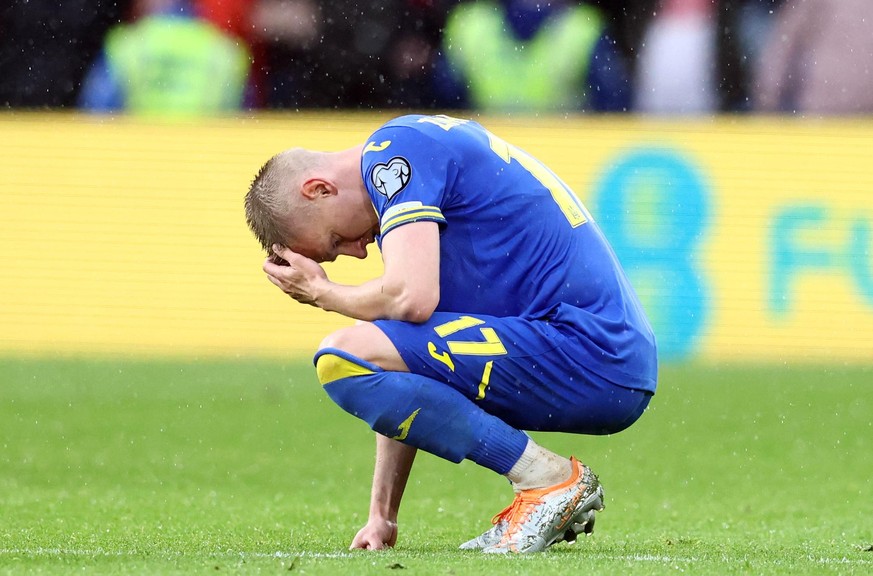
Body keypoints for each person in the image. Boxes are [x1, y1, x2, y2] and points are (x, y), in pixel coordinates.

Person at [244, 114, 657, 553]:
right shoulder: (410, 175)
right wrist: (382, 514)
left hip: (589, 347)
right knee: (364, 351)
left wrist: (325, 293)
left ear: (320, 189)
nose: (356, 250)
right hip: (602, 356)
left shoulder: (393, 152)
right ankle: (542, 481)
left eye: (334, 242)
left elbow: (412, 300)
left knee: (339, 357)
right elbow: (403, 344)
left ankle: (549, 480)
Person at [434, 0, 631, 113]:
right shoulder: (583, 27)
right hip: (560, 157)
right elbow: (616, 105)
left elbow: (439, 105)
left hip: (486, 155)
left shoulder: (470, 23)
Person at [78, 0, 250, 116]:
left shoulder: (127, 45)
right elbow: (249, 118)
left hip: (136, 157)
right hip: (205, 160)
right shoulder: (225, 51)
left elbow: (93, 111)